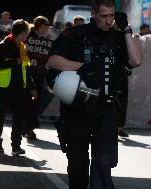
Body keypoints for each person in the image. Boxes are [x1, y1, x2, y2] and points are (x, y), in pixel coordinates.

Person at [47, 0, 142, 188]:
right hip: (78, 108)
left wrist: (127, 31)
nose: (108, 20)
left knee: (103, 161)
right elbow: (53, 60)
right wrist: (83, 67)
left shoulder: (119, 36)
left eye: (111, 16)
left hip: (107, 108)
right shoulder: (75, 34)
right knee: (77, 162)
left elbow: (136, 60)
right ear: (93, 14)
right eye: (104, 16)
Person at [0, 19, 36, 156]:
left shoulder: (22, 47)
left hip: (18, 88)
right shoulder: (3, 45)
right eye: (27, 32)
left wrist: (32, 87)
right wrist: (13, 62)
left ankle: (16, 146)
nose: (28, 34)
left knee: (18, 117)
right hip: (3, 87)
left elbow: (25, 69)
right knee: (0, 115)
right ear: (22, 33)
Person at [23, 15, 52, 140]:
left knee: (35, 103)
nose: (47, 30)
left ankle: (27, 128)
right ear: (39, 26)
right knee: (28, 102)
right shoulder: (27, 37)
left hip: (40, 76)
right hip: (26, 75)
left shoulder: (47, 41)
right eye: (45, 27)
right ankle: (28, 128)